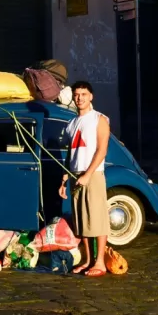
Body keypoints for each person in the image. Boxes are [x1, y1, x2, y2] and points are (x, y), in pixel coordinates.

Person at [58, 80, 110, 277]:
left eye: (84, 94)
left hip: (93, 175)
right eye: (77, 95)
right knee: (81, 220)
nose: (79, 98)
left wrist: (88, 174)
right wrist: (64, 180)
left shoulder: (99, 119)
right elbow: (70, 155)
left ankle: (100, 262)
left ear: (91, 96)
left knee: (97, 218)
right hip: (75, 175)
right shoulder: (71, 123)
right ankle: (88, 260)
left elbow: (102, 150)